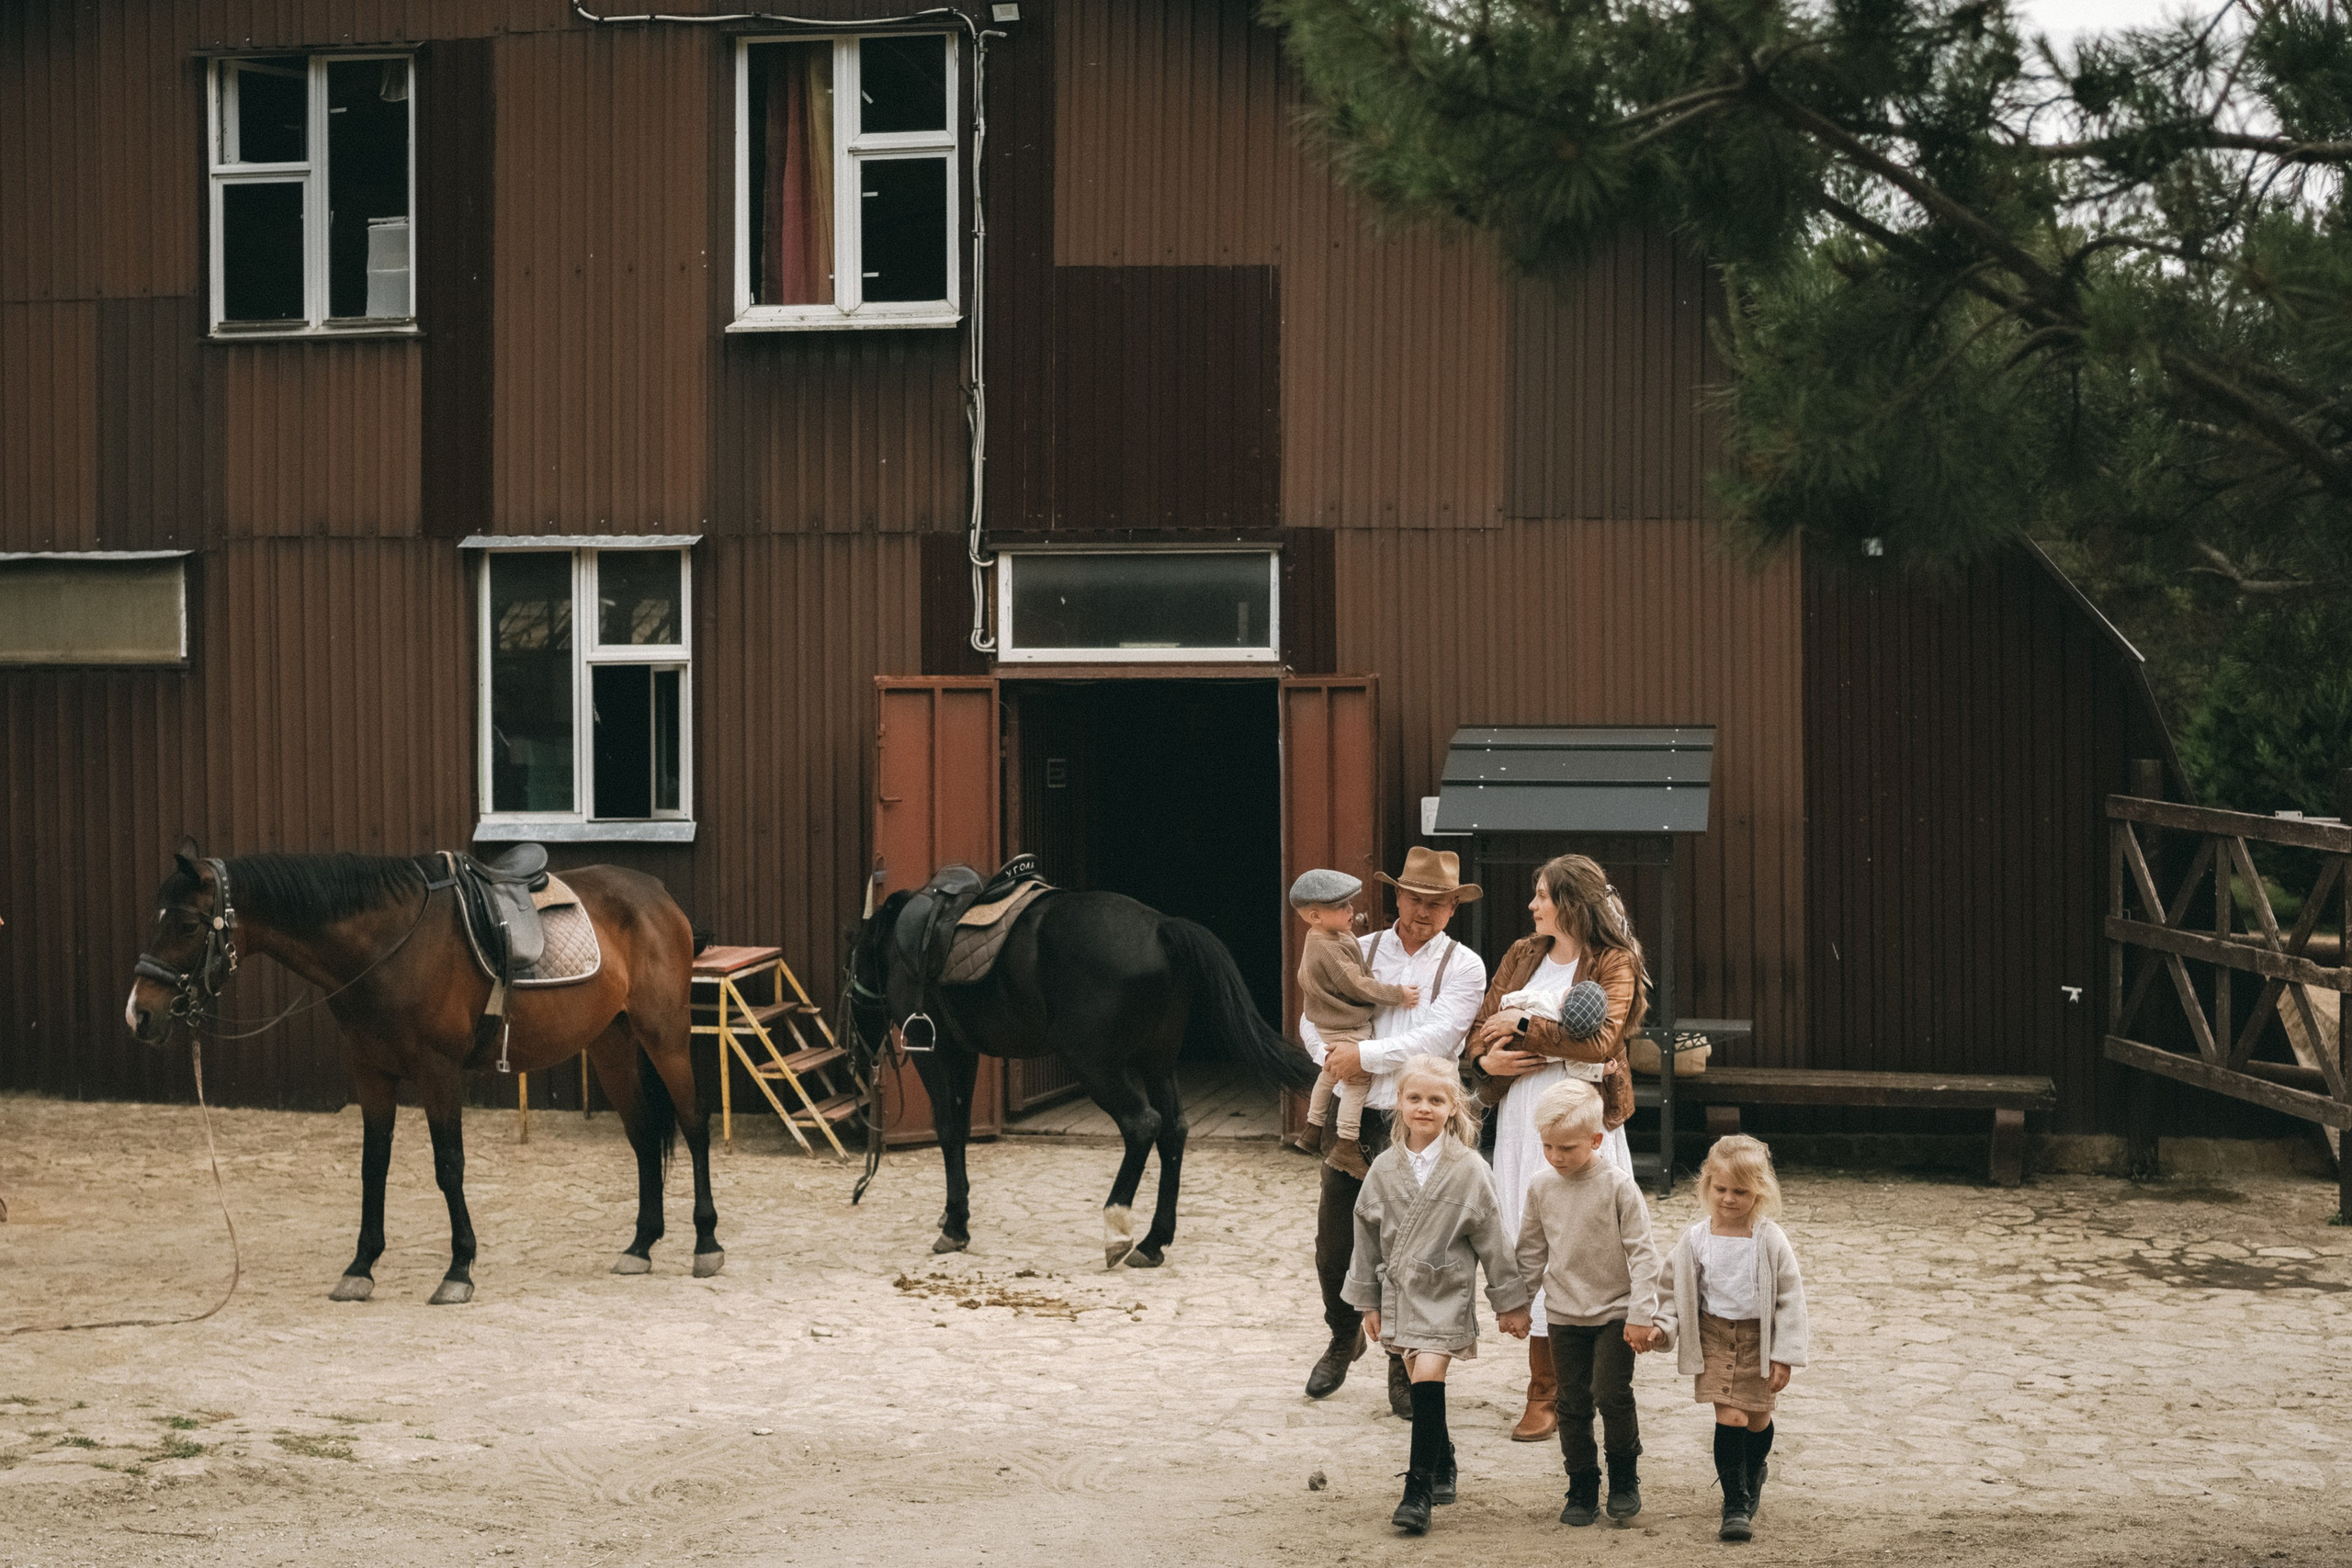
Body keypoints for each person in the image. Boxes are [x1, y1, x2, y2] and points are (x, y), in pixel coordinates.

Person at [1464, 852, 1650, 1442]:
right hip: (1523, 1115)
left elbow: (1600, 1043)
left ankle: (1597, 1378)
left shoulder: (1615, 961)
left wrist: (1521, 1028)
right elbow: (1478, 1030)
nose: (1531, 905)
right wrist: (1483, 1058)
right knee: (1533, 1236)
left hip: (1582, 1110)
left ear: (1570, 903)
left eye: (1541, 895)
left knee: (1590, 1242)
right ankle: (1543, 1390)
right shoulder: (1523, 954)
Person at [1299, 847, 1487, 1416]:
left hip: (1422, 1117)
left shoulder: (1464, 965)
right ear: (1396, 896)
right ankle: (1342, 1332)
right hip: (1353, 1111)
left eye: (1437, 903)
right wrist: (1335, 1059)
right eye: (1414, 899)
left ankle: (1401, 1364)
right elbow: (1314, 1011)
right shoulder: (1357, 948)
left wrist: (1365, 1055)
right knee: (1334, 1241)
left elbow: (1438, 1037)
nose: (1423, 911)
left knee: (1407, 1247)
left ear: (1453, 908)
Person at [1343, 1055, 1532, 1535]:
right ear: (1398, 1104)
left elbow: (1493, 1238)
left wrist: (1509, 1302)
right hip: (1400, 1293)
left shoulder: (1469, 1169)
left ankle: (1418, 1489)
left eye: (1436, 1099)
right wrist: (1368, 1300)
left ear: (1454, 1108)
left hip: (1446, 1290)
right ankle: (1443, 1456)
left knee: (1427, 1374)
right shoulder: (1384, 1169)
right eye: (1414, 1098)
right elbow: (1364, 1237)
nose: (1424, 1107)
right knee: (1420, 1382)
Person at [1513, 1078, 1663, 1527]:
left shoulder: (1618, 1188)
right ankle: (1581, 1484)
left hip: (1615, 1312)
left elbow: (1644, 1254)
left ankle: (1624, 1479)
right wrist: (1519, 1304)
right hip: (1563, 1313)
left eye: (1568, 1148)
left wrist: (1641, 1313)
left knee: (1611, 1394)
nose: (1557, 1157)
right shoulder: (1542, 1187)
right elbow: (1531, 1251)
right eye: (1548, 1147)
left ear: (1596, 1140)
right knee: (1572, 1402)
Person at [1649, 1134, 1809, 1543]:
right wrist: (1663, 1325)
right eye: (1721, 1189)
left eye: (1741, 1191)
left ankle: (1754, 1471)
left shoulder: (1768, 1238)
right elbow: (1672, 1289)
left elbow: (1791, 1297)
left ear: (1760, 1191)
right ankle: (1734, 1503)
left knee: (1756, 1419)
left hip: (1759, 1340)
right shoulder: (1696, 1238)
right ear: (1707, 1185)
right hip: (1714, 1334)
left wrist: (1784, 1354)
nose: (1729, 1199)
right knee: (1730, 1417)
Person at [1290, 868, 1421, 1180]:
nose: (1350, 911)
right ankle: (1347, 1143)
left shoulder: (1329, 936)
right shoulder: (1329, 948)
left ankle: (1312, 1127)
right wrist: (1396, 995)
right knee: (1356, 1079)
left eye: (1349, 904)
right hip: (1344, 1025)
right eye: (1340, 907)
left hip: (1332, 1023)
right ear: (1314, 916)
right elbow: (1356, 984)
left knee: (1330, 1071)